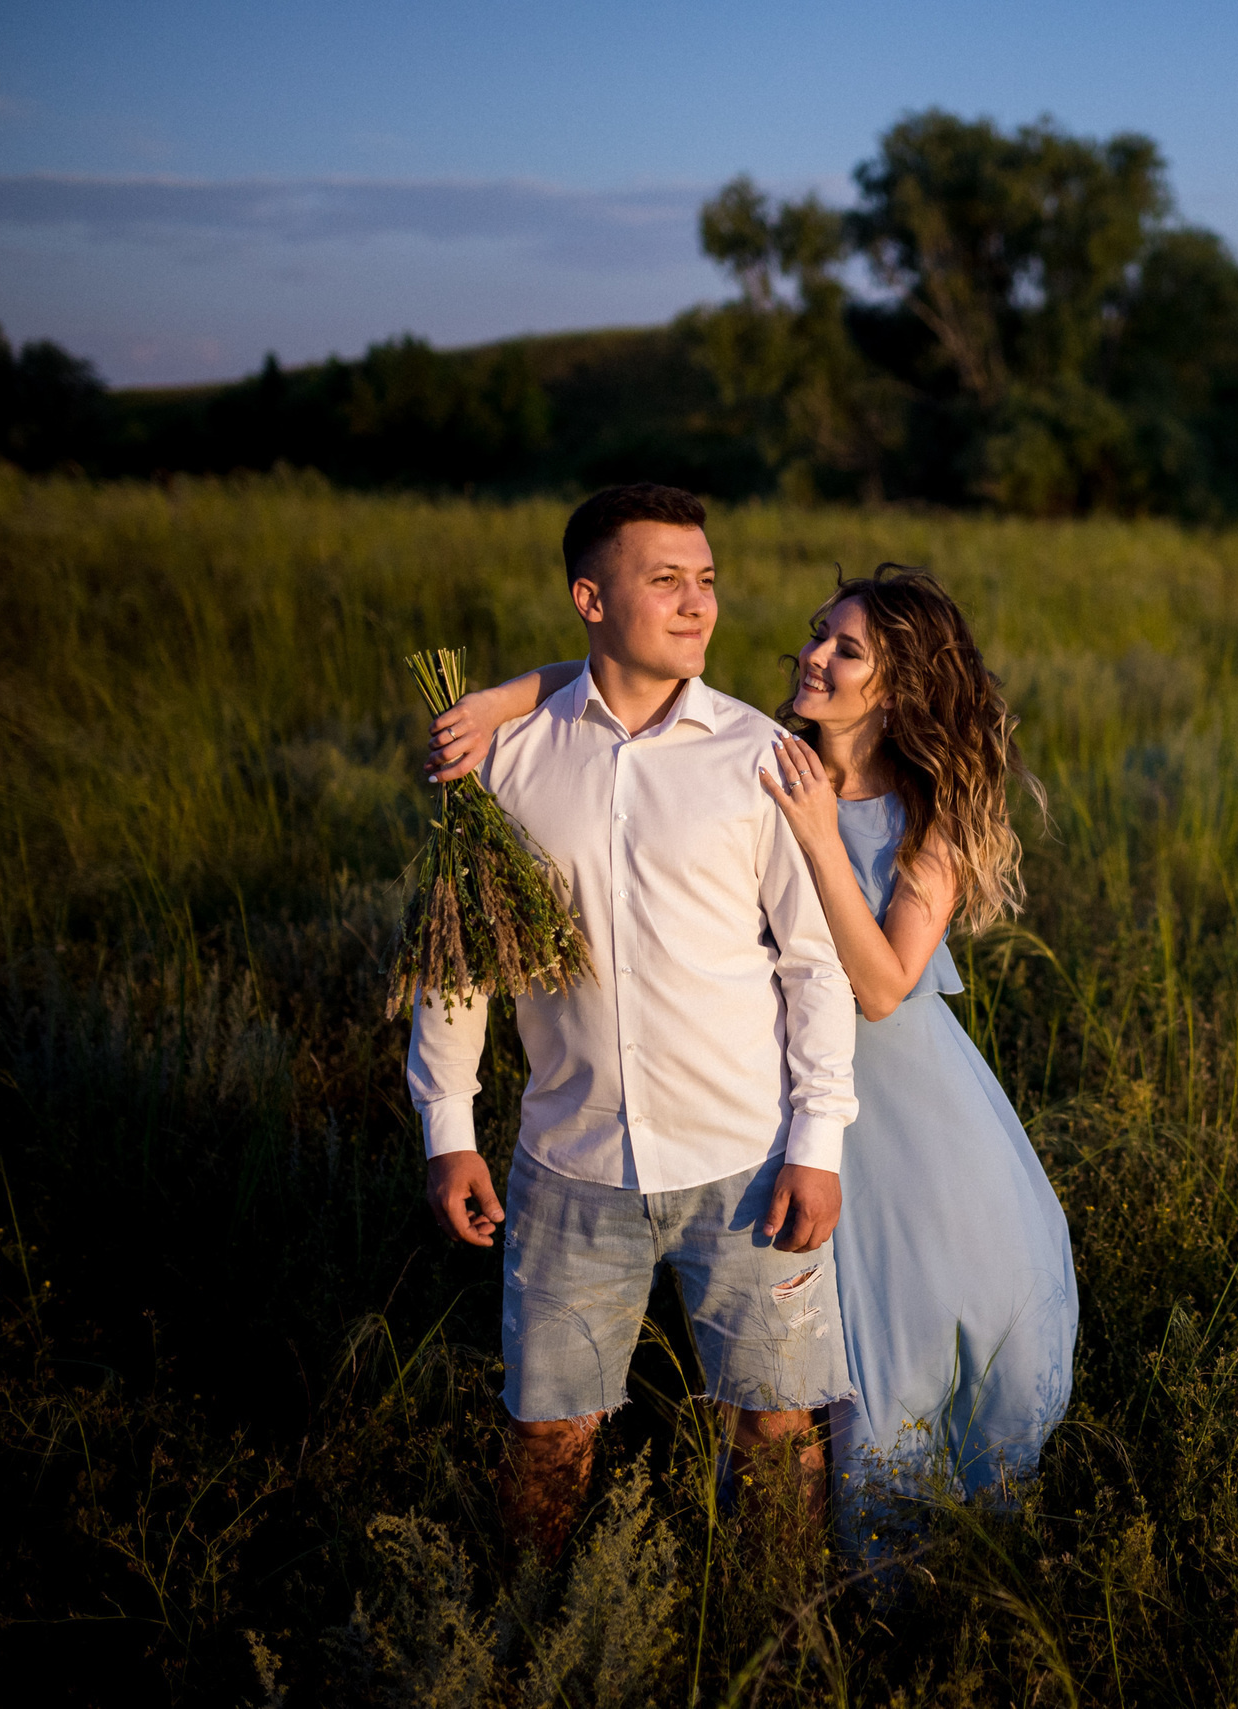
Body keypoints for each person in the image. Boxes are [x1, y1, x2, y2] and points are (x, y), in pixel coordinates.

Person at [432, 563, 1077, 1551]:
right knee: (801, 1363)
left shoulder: (926, 809)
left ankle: (910, 1581)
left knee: (913, 1341)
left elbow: (882, 985)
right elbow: (618, 668)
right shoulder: (760, 752)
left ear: (897, 688)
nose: (812, 654)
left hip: (903, 1112)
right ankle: (792, 1569)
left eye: (845, 648)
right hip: (767, 1100)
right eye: (819, 632)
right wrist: (499, 698)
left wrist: (821, 835)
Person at [408, 483, 858, 1560]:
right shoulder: (506, 762)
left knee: (776, 1424)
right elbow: (461, 958)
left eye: (705, 581)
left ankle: (783, 1633)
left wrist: (817, 1143)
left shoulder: (759, 757)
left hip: (744, 1158)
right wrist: (449, 1128)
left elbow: (813, 965)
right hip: (569, 1162)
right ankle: (531, 1632)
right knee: (548, 1431)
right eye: (665, 580)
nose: (697, 603)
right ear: (590, 598)